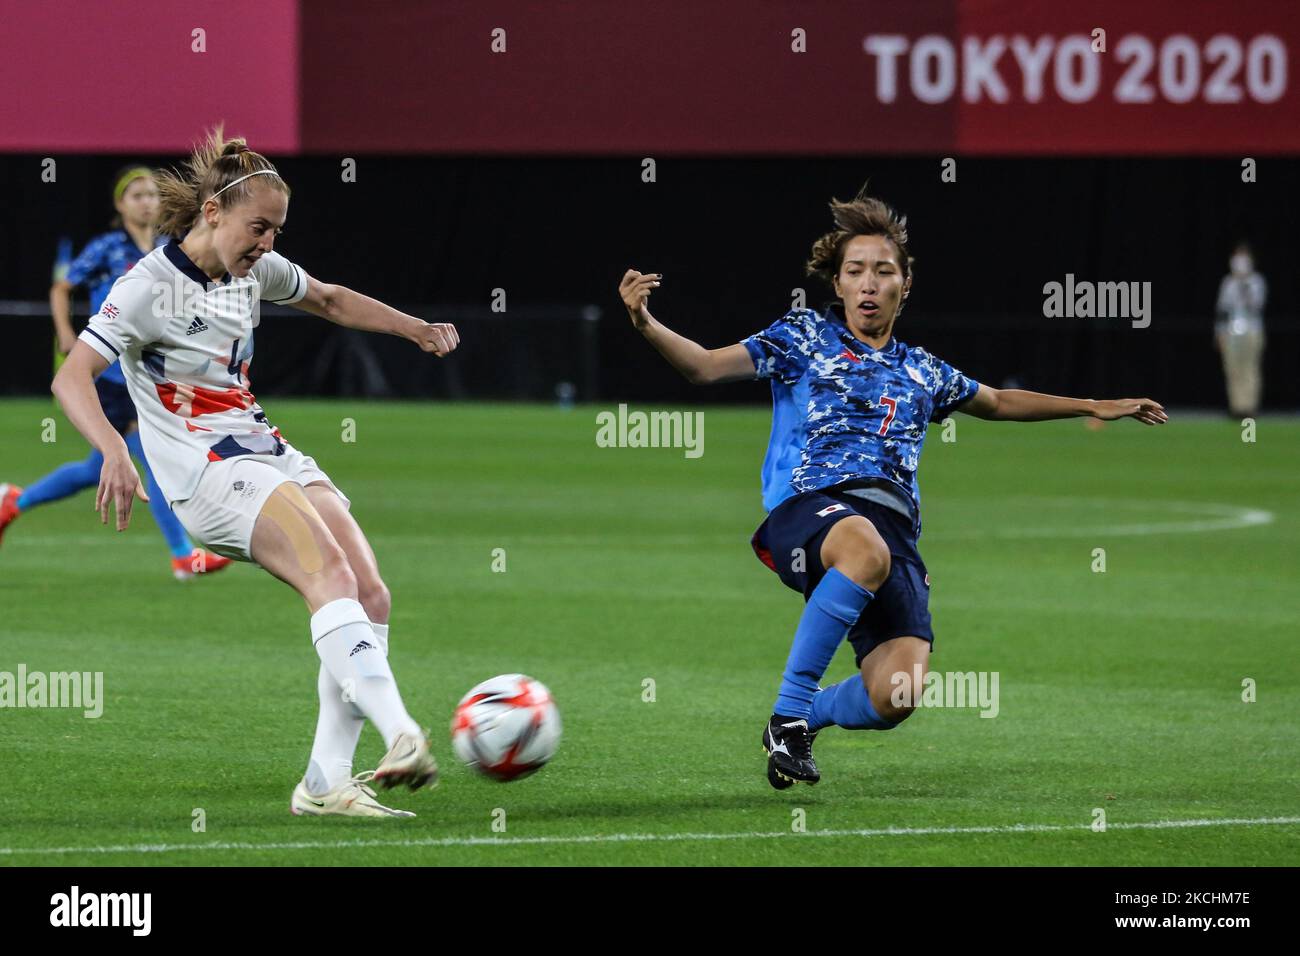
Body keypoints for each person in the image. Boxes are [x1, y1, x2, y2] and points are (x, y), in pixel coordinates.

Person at [619, 188, 1167, 789]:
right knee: (864, 549)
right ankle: (789, 712)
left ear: (905, 285)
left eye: (883, 272)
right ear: (839, 284)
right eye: (855, 271)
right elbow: (702, 365)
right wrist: (646, 323)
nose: (869, 283)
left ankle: (809, 720)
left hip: (895, 530)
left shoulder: (922, 369)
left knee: (897, 693)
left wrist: (1092, 404)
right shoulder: (802, 336)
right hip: (810, 508)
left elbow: (1000, 401)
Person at [50, 128, 461, 817]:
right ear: (212, 213)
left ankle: (326, 784)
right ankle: (403, 734)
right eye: (258, 227)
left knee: (368, 593)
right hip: (205, 475)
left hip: (263, 451)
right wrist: (115, 451)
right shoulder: (147, 286)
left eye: (276, 230)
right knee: (326, 574)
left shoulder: (253, 272)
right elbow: (72, 378)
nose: (268, 243)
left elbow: (328, 299)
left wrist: (414, 328)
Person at [0, 166, 232, 579]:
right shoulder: (108, 248)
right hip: (111, 378)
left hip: (150, 372)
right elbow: (62, 286)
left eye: (151, 195)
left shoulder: (169, 246)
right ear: (120, 204)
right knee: (152, 458)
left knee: (95, 468)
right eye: (137, 195)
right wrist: (66, 334)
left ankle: (13, 502)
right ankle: (182, 555)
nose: (147, 202)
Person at [1214, 242, 1267, 417]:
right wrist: (1219, 333)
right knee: (1233, 370)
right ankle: (1237, 407)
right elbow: (1222, 310)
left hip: (1252, 330)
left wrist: (1244, 285)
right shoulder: (1228, 282)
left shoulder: (1256, 281)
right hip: (1231, 331)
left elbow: (1256, 305)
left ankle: (1250, 406)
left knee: (1250, 369)